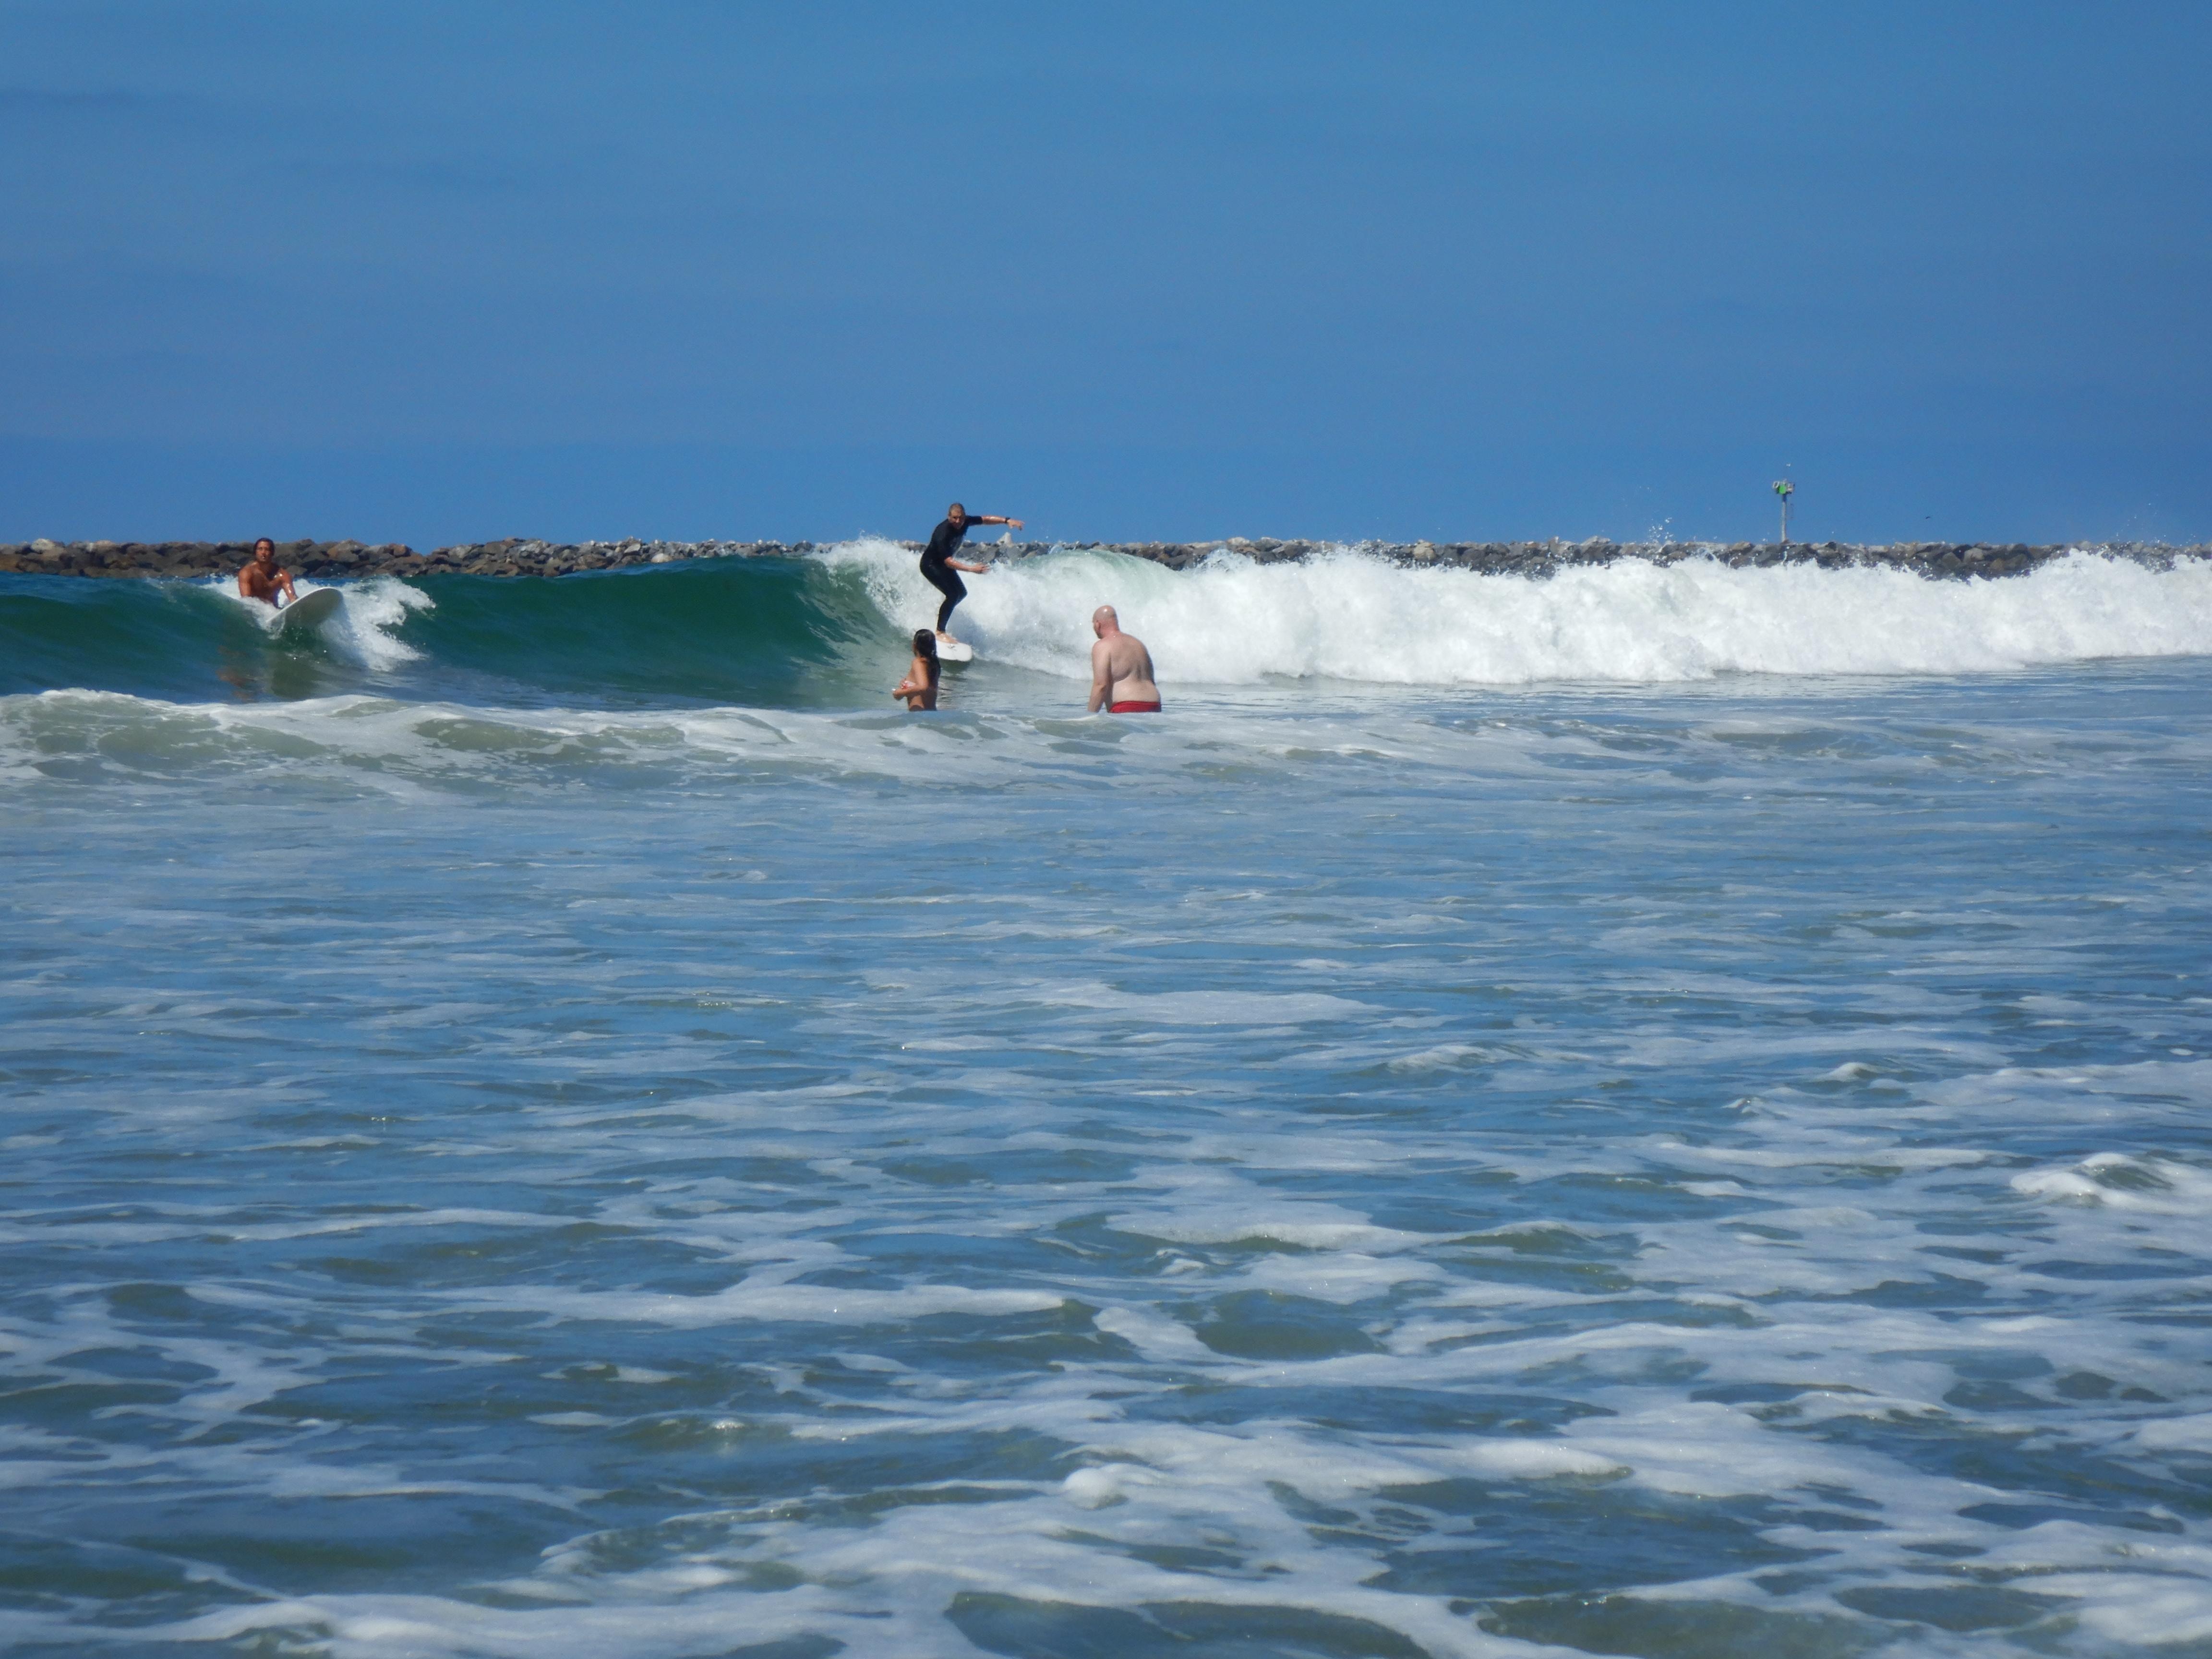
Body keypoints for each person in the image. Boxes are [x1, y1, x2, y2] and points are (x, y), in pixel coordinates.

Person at [920, 502, 1022, 643]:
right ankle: (940, 632)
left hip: (943, 566)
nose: (958, 522)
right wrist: (971, 569)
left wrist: (1007, 520)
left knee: (962, 593)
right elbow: (948, 561)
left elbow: (985, 520)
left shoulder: (965, 521)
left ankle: (942, 612)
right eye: (955, 518)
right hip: (930, 565)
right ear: (949, 517)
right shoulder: (943, 532)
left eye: (961, 518)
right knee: (953, 594)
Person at [1086, 605, 1161, 713]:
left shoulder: (1103, 646)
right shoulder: (1138, 644)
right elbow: (1151, 680)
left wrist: (1089, 716)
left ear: (1098, 624)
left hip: (1127, 705)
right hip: (1154, 704)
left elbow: (1101, 685)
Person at [237, 538, 298, 607]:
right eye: (260, 549)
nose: (263, 553)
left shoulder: (283, 575)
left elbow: (293, 598)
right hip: (254, 611)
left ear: (272, 553)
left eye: (267, 550)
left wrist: (295, 603)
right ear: (255, 552)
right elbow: (246, 601)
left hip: (273, 613)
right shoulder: (247, 573)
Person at [893, 628, 940, 711]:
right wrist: (908, 684)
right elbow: (928, 689)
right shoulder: (935, 664)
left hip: (919, 715)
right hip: (932, 713)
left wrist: (900, 693)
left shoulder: (918, 663)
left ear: (915, 645)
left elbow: (923, 687)